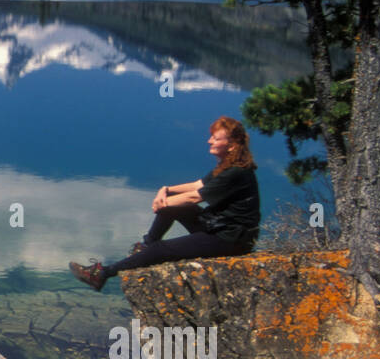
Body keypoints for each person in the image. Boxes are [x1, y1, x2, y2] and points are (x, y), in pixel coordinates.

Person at [70, 116, 260, 291]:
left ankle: (102, 274)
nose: (209, 141)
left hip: (230, 239)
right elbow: (198, 184)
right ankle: (146, 246)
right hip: (218, 227)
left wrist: (164, 203)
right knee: (170, 209)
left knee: (161, 250)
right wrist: (166, 190)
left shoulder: (236, 172)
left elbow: (196, 196)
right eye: (211, 137)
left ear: (232, 145)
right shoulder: (227, 166)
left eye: (216, 139)